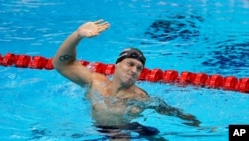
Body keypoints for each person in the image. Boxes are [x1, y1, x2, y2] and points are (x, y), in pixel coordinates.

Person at [53, 19, 200, 140]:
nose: (134, 70)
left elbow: (163, 107)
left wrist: (190, 120)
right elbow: (62, 64)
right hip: (103, 129)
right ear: (117, 64)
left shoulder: (139, 97)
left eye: (139, 68)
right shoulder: (95, 82)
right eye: (130, 64)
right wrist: (78, 34)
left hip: (125, 130)